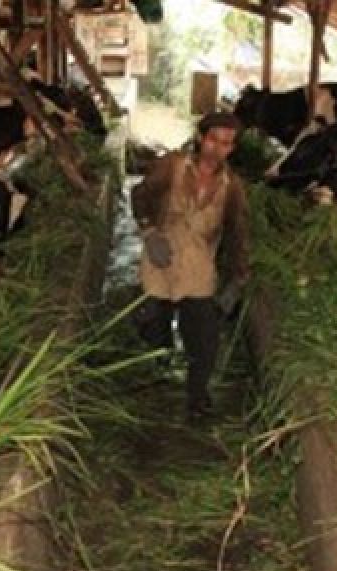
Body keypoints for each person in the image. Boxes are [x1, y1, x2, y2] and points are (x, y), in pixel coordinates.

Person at [131, 111, 251, 422]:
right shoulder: (171, 166)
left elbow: (238, 234)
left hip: (198, 269)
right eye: (212, 139)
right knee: (153, 323)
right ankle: (159, 368)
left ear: (231, 149)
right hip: (161, 260)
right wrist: (148, 231)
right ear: (201, 137)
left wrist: (237, 279)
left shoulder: (232, 187)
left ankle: (198, 396)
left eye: (225, 144)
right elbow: (139, 195)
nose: (216, 148)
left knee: (203, 336)